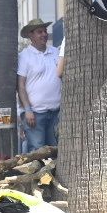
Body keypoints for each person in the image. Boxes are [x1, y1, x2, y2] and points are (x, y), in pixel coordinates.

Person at [16, 18, 66, 151]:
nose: (44, 34)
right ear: (30, 35)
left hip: (55, 112)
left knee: (55, 151)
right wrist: (27, 110)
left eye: (45, 31)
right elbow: (20, 85)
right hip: (35, 114)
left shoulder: (55, 52)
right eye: (39, 32)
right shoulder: (24, 56)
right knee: (37, 151)